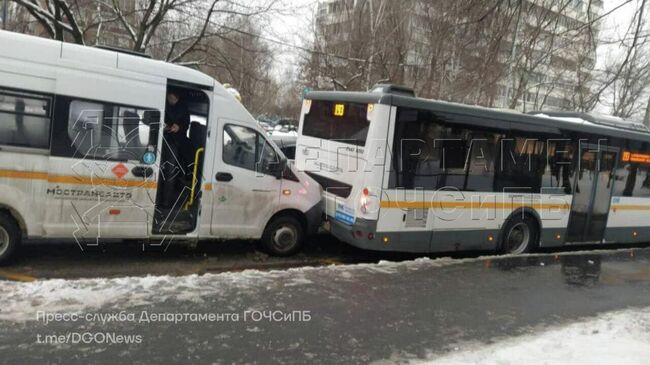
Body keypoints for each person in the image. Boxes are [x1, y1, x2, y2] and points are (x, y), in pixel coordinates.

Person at [160, 90, 191, 209]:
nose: (171, 101)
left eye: (173, 99)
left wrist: (179, 127)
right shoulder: (162, 103)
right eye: (170, 98)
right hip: (160, 139)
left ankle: (165, 202)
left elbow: (186, 125)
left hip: (175, 142)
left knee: (170, 172)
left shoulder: (183, 109)